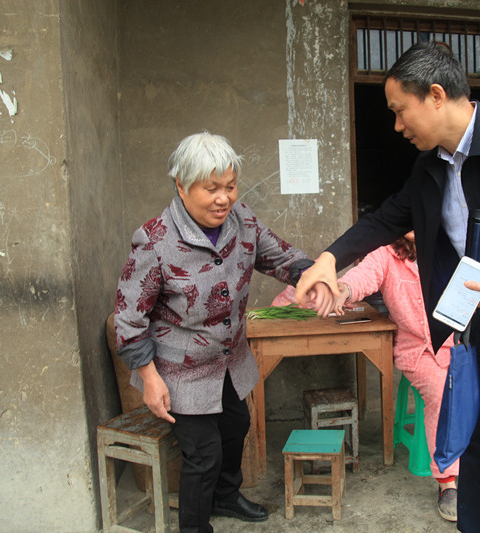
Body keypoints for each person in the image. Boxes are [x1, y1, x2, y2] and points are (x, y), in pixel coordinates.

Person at [295, 41, 480, 532]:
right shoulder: (432, 166)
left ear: (436, 95)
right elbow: (387, 218)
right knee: (478, 458)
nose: (397, 126)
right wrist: (329, 260)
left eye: (400, 110)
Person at [114, 131, 329, 533]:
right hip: (178, 371)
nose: (223, 198)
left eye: (230, 186)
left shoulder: (242, 220)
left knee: (235, 426)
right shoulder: (155, 241)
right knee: (204, 454)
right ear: (181, 185)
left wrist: (313, 275)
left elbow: (280, 256)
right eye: (211, 188)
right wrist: (149, 378)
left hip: (228, 360)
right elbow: (128, 318)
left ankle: (225, 496)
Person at [274, 232, 461, 521]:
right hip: (419, 349)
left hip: (459, 343)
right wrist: (341, 291)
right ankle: (447, 482)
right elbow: (360, 279)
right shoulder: (387, 255)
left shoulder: (453, 247)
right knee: (440, 391)